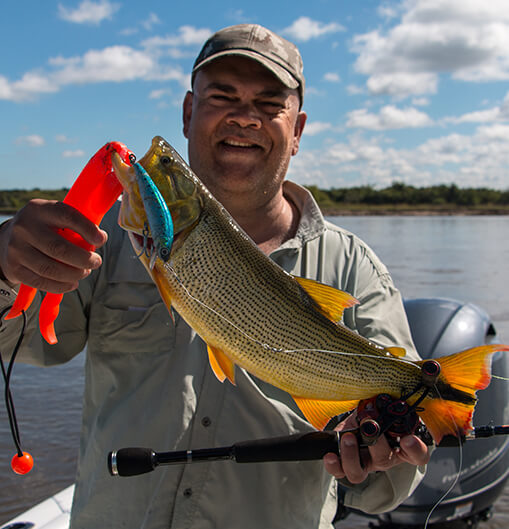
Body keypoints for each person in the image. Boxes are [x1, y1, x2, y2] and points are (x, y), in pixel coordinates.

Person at [0, 24, 429, 529]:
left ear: (298, 130)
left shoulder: (356, 270)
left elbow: (396, 476)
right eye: (222, 95)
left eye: (269, 104)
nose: (244, 117)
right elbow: (26, 343)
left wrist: (381, 451)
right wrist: (6, 269)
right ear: (187, 113)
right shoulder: (109, 238)